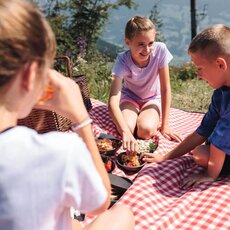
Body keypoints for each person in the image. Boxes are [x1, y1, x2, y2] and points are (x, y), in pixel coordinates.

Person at [0, 0, 135, 230]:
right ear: (30, 74)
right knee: (122, 214)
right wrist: (81, 119)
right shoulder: (57, 150)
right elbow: (99, 202)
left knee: (71, 221)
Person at [141, 24, 230, 189]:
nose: (198, 75)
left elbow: (219, 141)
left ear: (220, 64)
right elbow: (203, 130)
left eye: (200, 68)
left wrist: (209, 174)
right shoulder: (221, 93)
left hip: (224, 144)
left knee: (201, 155)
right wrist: (166, 157)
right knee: (200, 150)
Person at [108, 16, 181, 153]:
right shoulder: (122, 61)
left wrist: (165, 125)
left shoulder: (160, 50)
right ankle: (133, 119)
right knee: (127, 128)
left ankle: (142, 118)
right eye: (141, 44)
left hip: (152, 99)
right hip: (130, 98)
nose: (147, 49)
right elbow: (113, 101)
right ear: (128, 42)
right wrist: (125, 132)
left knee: (145, 131)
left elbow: (165, 89)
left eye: (150, 43)